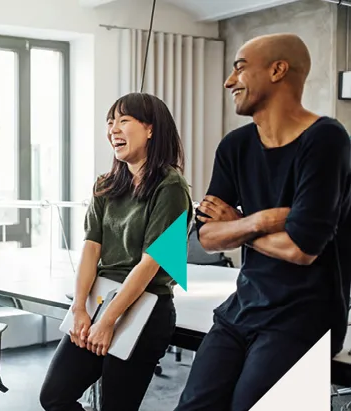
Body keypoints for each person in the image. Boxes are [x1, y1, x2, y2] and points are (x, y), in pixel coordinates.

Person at [175, 33, 351, 411]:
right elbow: (206, 235)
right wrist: (264, 220)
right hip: (244, 306)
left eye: (239, 68)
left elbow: (301, 249)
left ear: (277, 70)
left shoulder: (326, 140)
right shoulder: (234, 146)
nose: (228, 81)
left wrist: (238, 226)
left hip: (305, 315)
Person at [39, 92, 193, 411]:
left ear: (151, 129)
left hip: (145, 308)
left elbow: (150, 265)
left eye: (124, 121)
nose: (113, 130)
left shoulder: (171, 187)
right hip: (99, 300)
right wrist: (80, 308)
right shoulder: (105, 185)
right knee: (54, 396)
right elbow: (90, 250)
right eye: (110, 123)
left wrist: (108, 321)